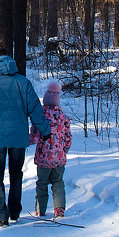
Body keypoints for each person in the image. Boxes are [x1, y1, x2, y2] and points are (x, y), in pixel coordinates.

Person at [0, 49, 51, 227]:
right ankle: (14, 211)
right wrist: (45, 130)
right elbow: (35, 110)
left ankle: (1, 215)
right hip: (18, 138)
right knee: (16, 174)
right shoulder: (23, 82)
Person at [29, 80, 72, 218]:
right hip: (59, 158)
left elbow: (34, 137)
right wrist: (64, 150)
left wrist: (24, 140)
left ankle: (40, 209)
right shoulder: (64, 118)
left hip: (43, 158)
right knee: (58, 182)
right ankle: (59, 209)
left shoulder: (40, 118)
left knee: (42, 183)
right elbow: (68, 138)